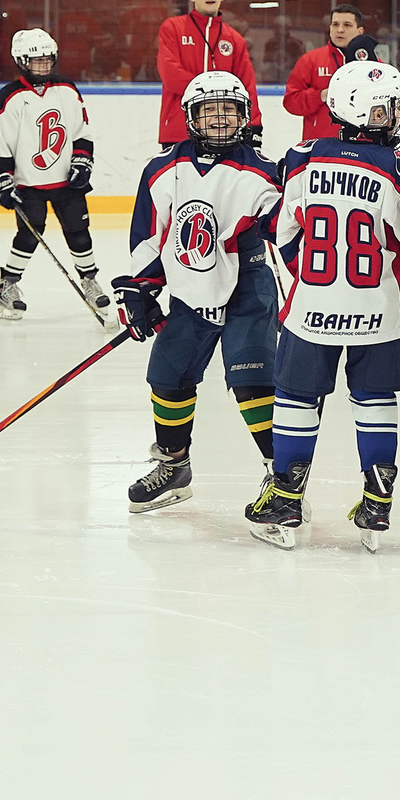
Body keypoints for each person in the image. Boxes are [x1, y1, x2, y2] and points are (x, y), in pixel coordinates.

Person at [251, 60, 400, 551]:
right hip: (381, 309)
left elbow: (282, 234)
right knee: (375, 399)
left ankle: (286, 494)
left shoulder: (302, 158)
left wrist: (312, 272)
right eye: (386, 108)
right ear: (361, 111)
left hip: (312, 308)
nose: (394, 115)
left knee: (297, 399)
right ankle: (377, 500)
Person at [113, 69, 283, 513]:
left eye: (229, 110)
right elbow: (150, 235)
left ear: (245, 116)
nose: (221, 119)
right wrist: (140, 290)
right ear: (191, 117)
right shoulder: (163, 168)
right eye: (210, 110)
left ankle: (281, 476)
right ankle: (174, 466)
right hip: (189, 286)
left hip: (248, 284)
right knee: (168, 375)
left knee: (252, 378)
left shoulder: (264, 170)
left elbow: (281, 227)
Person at [0, 28, 106, 320]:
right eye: (36, 60)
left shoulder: (66, 88)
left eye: (47, 59)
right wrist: (1, 179)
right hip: (28, 184)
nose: (43, 65)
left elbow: (82, 130)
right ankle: (8, 286)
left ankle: (89, 280)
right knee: (30, 234)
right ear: (21, 60)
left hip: (66, 180)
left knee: (79, 232)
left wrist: (82, 161)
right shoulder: (10, 96)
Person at [155, 0, 260, 145]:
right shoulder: (173, 28)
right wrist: (215, 93)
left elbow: (247, 86)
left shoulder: (234, 40)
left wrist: (254, 126)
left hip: (224, 134)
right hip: (179, 132)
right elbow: (171, 75)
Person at [281, 3, 375, 144]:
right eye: (335, 24)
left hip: (362, 147)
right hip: (320, 148)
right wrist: (322, 95)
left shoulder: (373, 64)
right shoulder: (311, 60)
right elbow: (291, 103)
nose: (340, 30)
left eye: (347, 25)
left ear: (360, 31)